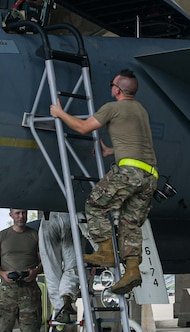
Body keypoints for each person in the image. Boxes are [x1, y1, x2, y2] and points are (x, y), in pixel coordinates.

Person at [50, 69, 157, 295]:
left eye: (112, 84)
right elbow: (134, 142)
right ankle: (132, 270)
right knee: (130, 224)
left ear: (117, 89)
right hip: (149, 175)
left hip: (129, 173)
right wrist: (109, 151)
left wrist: (59, 113)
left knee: (95, 205)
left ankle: (106, 251)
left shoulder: (113, 107)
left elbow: (82, 127)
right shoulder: (141, 110)